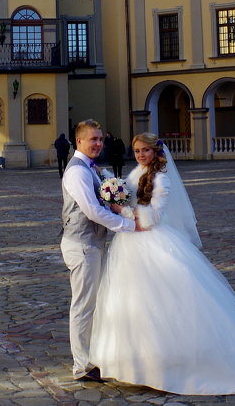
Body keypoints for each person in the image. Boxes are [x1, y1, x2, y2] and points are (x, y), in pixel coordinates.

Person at [90, 133, 235, 394]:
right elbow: (128, 194)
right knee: (134, 303)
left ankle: (176, 361)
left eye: (145, 151)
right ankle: (138, 362)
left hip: (152, 242)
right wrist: (110, 186)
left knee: (165, 303)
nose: (140, 155)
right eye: (137, 150)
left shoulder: (161, 179)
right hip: (129, 246)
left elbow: (152, 218)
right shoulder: (136, 171)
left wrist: (120, 210)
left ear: (156, 152)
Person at [60, 119, 137, 382]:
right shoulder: (77, 171)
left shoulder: (92, 168)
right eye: (93, 139)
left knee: (92, 303)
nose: (98, 143)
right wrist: (126, 225)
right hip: (81, 245)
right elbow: (91, 210)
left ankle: (92, 356)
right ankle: (81, 365)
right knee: (83, 306)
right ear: (78, 141)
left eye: (101, 139)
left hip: (91, 244)